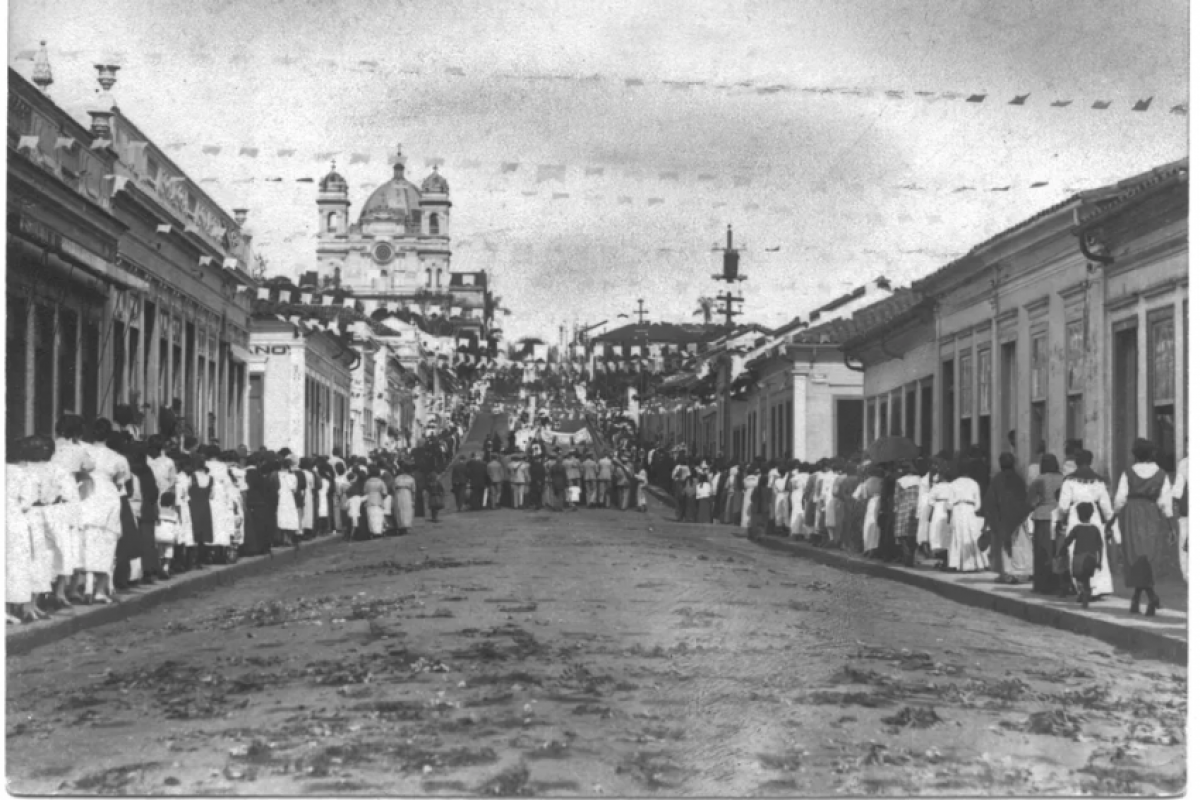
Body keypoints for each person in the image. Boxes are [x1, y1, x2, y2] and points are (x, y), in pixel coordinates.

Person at [1113, 438, 1175, 616]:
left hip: (1131, 514)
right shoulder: (1162, 474)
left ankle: (1139, 597)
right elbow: (1166, 503)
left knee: (1134, 556)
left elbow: (1119, 500)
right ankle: (1150, 597)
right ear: (1152, 454)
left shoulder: (1128, 473)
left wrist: (1112, 520)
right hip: (1152, 514)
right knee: (1149, 557)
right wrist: (1171, 526)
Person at [1056, 449, 1115, 600]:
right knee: (1095, 549)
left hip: (1076, 516)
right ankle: (1098, 587)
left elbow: (1063, 506)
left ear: (1076, 462)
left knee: (1075, 552)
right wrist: (1110, 522)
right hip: (1093, 517)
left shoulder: (1069, 480)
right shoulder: (1099, 481)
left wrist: (1060, 519)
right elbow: (1106, 507)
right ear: (1091, 461)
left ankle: (1082, 588)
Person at [981, 452, 1033, 584]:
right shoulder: (1018, 479)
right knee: (1020, 546)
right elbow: (1025, 499)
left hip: (1003, 518)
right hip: (1018, 519)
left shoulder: (997, 479)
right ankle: (1022, 573)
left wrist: (989, 519)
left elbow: (990, 501)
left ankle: (1007, 573)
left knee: (1004, 547)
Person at [1027, 454, 1065, 595]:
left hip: (1043, 516)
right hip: (1059, 516)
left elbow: (1030, 500)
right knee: (1057, 550)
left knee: (1042, 552)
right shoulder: (1063, 478)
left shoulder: (1039, 479)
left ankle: (1042, 585)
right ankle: (1059, 583)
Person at [1060, 502, 1105, 609]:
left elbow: (1067, 541)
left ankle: (1083, 594)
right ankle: (1086, 596)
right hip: (1092, 558)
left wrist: (1061, 551)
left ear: (1079, 515)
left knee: (1080, 578)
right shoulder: (1095, 529)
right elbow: (1100, 546)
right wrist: (1099, 561)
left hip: (1079, 558)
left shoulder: (1077, 528)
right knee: (1087, 579)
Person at [947, 460, 989, 572]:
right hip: (970, 509)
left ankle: (956, 564)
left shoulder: (953, 484)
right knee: (972, 535)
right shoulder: (974, 483)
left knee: (958, 535)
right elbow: (978, 504)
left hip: (957, 509)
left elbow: (949, 504)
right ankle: (975, 563)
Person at [1173, 452, 1188, 583]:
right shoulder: (1184, 463)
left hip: (1187, 509)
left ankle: (1187, 574)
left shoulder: (1184, 463)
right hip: (1186, 509)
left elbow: (1178, 490)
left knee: (1184, 542)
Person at [393, 465, 416, 535]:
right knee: (407, 509)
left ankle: (401, 526)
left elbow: (393, 488)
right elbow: (414, 490)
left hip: (398, 494)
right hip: (407, 494)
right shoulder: (411, 478)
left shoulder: (397, 478)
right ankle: (406, 526)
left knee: (399, 509)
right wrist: (413, 499)